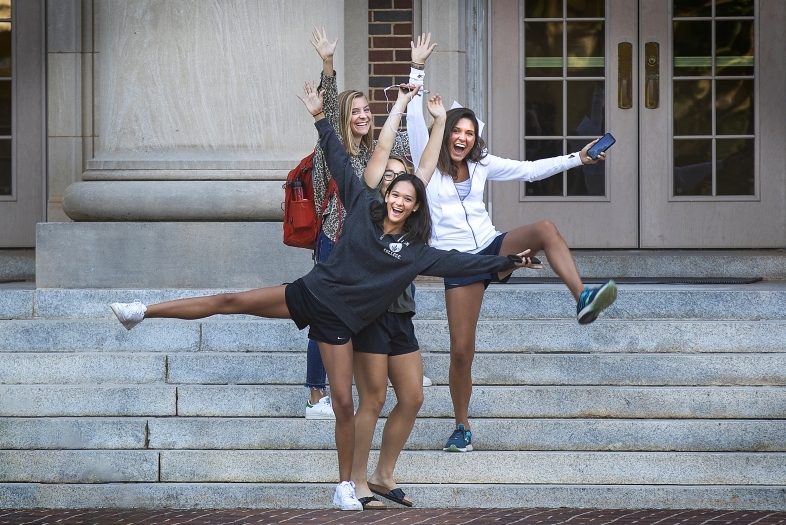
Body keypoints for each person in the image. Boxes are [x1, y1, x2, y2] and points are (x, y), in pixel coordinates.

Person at [109, 79, 535, 511]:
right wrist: (318, 117)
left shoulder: (414, 253)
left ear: (416, 207)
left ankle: (346, 487)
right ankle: (141, 311)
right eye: (395, 194)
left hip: (341, 322)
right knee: (230, 301)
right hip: (311, 293)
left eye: (408, 198)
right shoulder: (361, 206)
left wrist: (509, 261)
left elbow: (464, 263)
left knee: (346, 401)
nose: (399, 201)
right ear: (385, 195)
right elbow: (338, 157)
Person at [406, 33, 617, 453]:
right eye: (456, 131)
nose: (463, 138)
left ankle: (583, 297)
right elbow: (415, 121)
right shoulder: (427, 164)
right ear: (445, 133)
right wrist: (418, 71)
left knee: (544, 228)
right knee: (462, 351)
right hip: (459, 263)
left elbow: (530, 169)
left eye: (469, 132)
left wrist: (579, 158)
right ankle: (462, 426)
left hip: (491, 244)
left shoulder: (483, 164)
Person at [303, 29, 429, 419]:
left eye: (366, 109)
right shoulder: (332, 153)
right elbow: (325, 111)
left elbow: (405, 133)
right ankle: (316, 394)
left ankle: (398, 365)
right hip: (335, 241)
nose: (363, 115)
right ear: (344, 117)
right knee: (324, 311)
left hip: (372, 245)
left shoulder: (380, 154)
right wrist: (327, 64)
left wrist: (417, 71)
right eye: (355, 111)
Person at [349, 88, 452, 510]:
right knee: (372, 399)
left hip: (401, 317)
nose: (394, 186)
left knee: (412, 396)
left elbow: (425, 165)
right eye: (387, 179)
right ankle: (356, 480)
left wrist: (440, 121)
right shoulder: (371, 207)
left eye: (401, 182)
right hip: (370, 317)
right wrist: (399, 106)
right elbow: (385, 149)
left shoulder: (408, 207)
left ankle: (382, 474)